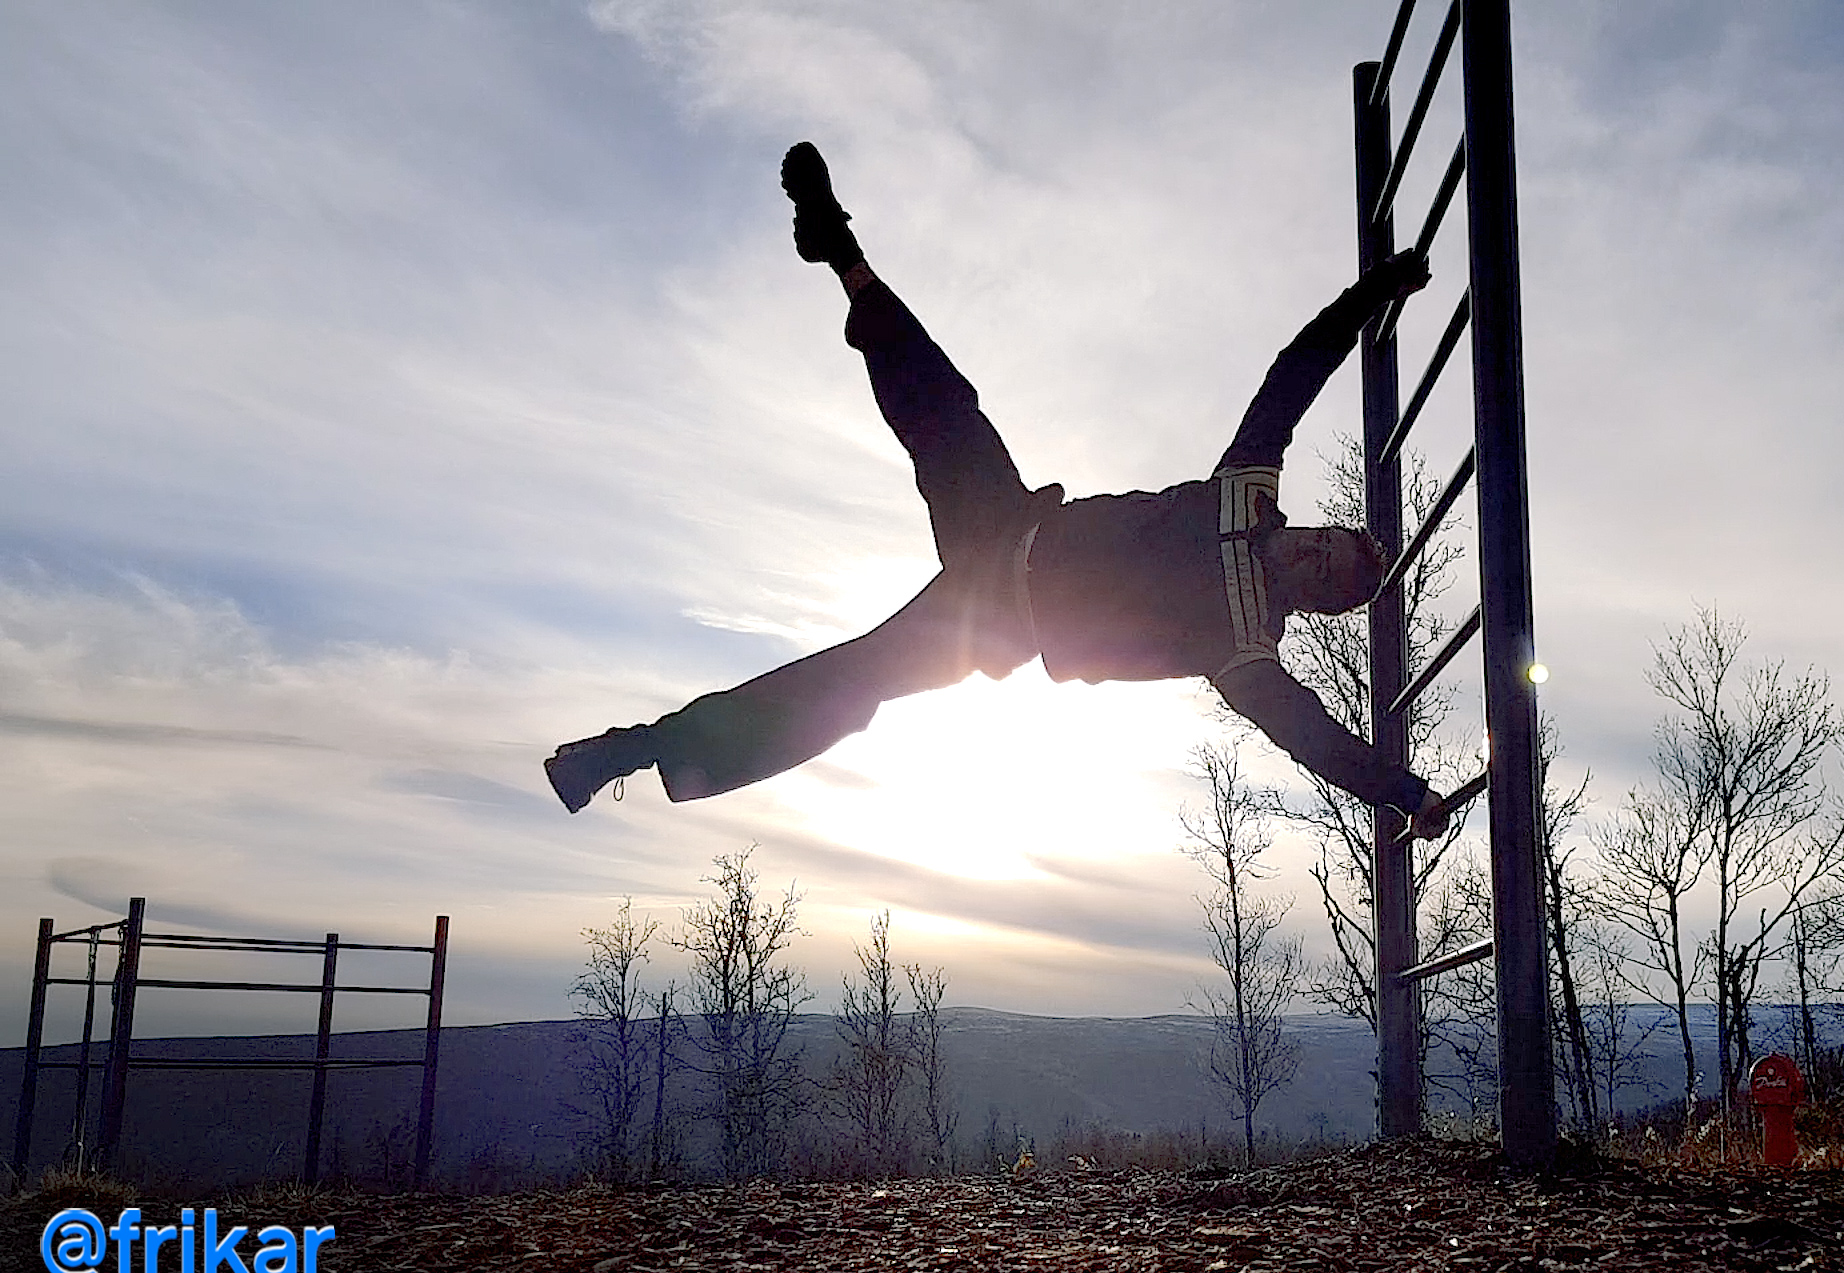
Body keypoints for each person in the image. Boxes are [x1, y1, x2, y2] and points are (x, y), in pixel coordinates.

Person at [545, 142, 1454, 840]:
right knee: (943, 403)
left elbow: (1313, 737)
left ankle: (633, 750)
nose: (1312, 555)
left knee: (847, 687)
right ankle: (841, 253)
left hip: (992, 625)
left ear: (1314, 604)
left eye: (1325, 576)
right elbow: (1295, 373)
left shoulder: (1247, 647)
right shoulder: (1247, 489)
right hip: (1008, 522)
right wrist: (1375, 290)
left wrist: (1403, 791)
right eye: (1326, 541)